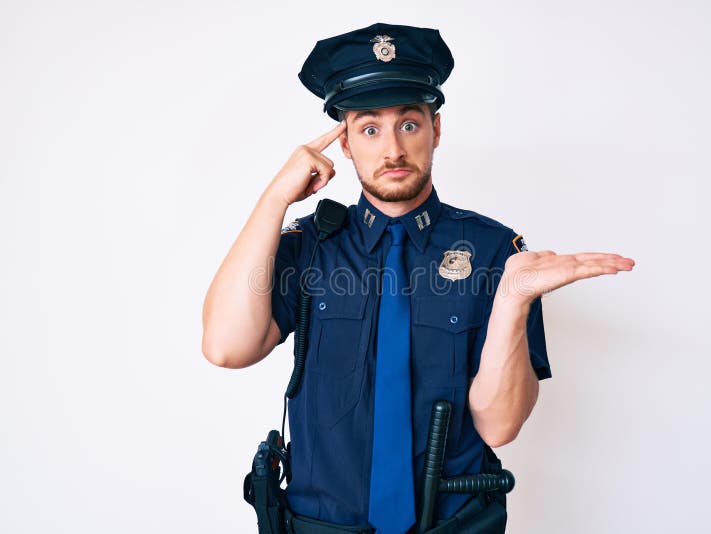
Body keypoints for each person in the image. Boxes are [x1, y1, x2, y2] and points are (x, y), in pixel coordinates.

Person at [202, 22, 635, 533]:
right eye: (368, 128)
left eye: (409, 124)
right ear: (344, 145)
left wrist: (514, 299)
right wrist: (275, 198)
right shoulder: (310, 245)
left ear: (436, 129)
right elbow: (226, 348)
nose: (392, 150)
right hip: (321, 524)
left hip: (451, 524)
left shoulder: (497, 252)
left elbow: (499, 427)